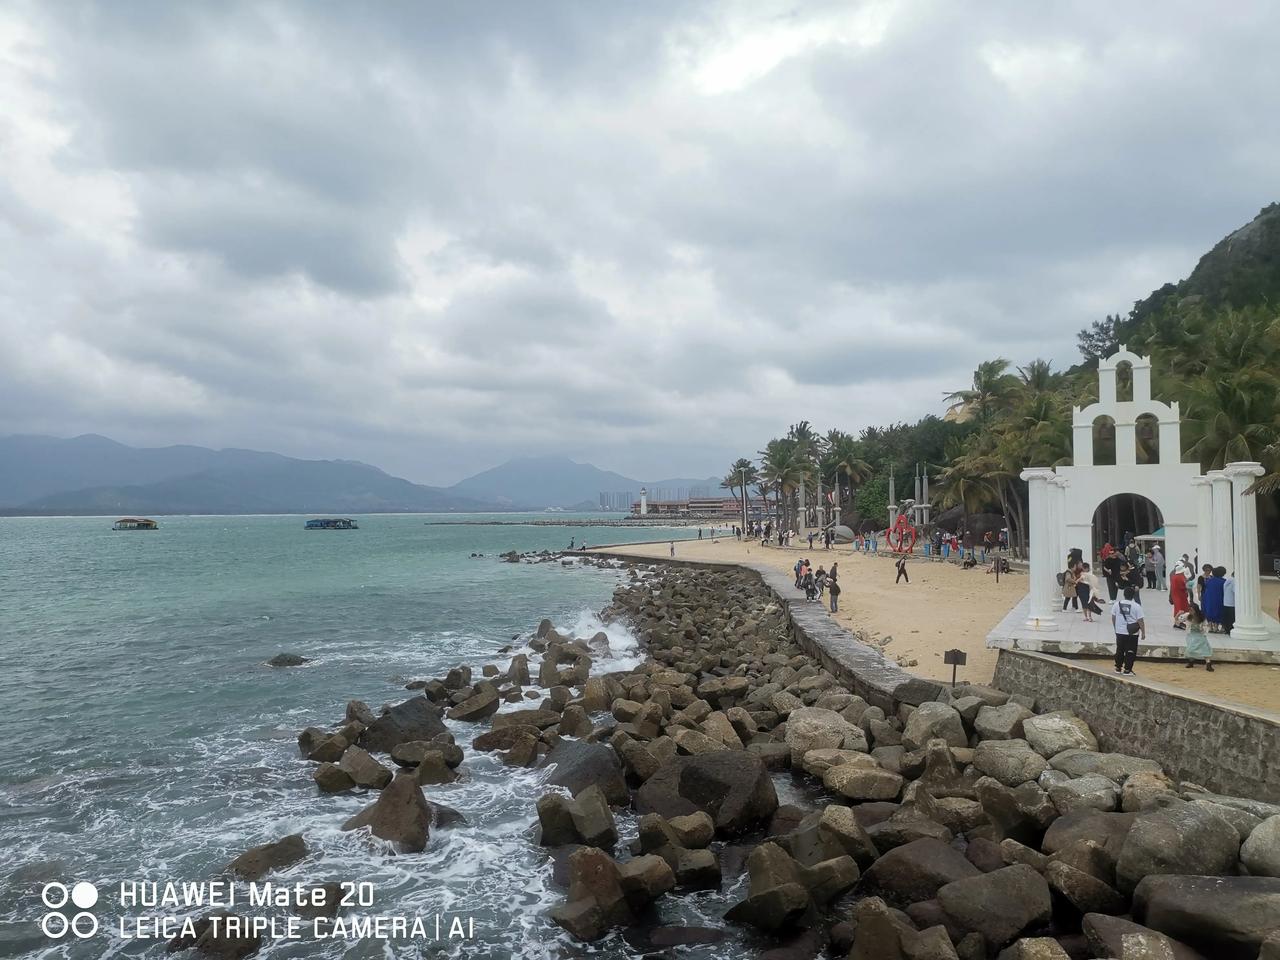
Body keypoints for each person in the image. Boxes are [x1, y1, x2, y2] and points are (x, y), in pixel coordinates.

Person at [1112, 586, 1146, 676]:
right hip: (1132, 633)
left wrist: (1116, 628)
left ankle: (1118, 667)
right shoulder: (1137, 606)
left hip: (1120, 631)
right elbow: (1140, 620)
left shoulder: (1116, 604)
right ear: (1133, 595)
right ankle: (1127, 669)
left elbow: (1113, 617)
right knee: (1130, 651)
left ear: (1124, 594)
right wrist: (1143, 632)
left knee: (1119, 649)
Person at [1183, 604, 1214, 670]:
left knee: (1205, 648)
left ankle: (1208, 664)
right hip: (1191, 634)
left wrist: (1204, 632)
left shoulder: (1202, 617)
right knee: (1191, 648)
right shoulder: (1187, 615)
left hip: (1200, 634)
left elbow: (1206, 625)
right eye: (1190, 610)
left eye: (1192, 610)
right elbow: (1178, 620)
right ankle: (1191, 662)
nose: (1190, 611)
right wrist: (1178, 615)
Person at [1202, 566, 1225, 632]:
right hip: (1219, 598)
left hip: (1209, 599)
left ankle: (1211, 627)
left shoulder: (1209, 581)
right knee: (1219, 612)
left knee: (1210, 612)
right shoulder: (1223, 581)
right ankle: (1216, 627)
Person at [1169, 561, 1191, 626]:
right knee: (1180, 609)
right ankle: (1178, 622)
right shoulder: (1181, 577)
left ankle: (1178, 621)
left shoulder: (1174, 576)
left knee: (1178, 608)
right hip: (1180, 595)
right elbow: (1185, 586)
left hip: (1176, 595)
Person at [1221, 569, 1236, 636]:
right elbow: (1236, 591)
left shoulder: (1227, 581)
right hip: (1232, 603)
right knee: (1232, 618)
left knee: (1227, 618)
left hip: (1226, 602)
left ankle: (1227, 630)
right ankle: (1230, 630)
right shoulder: (1234, 581)